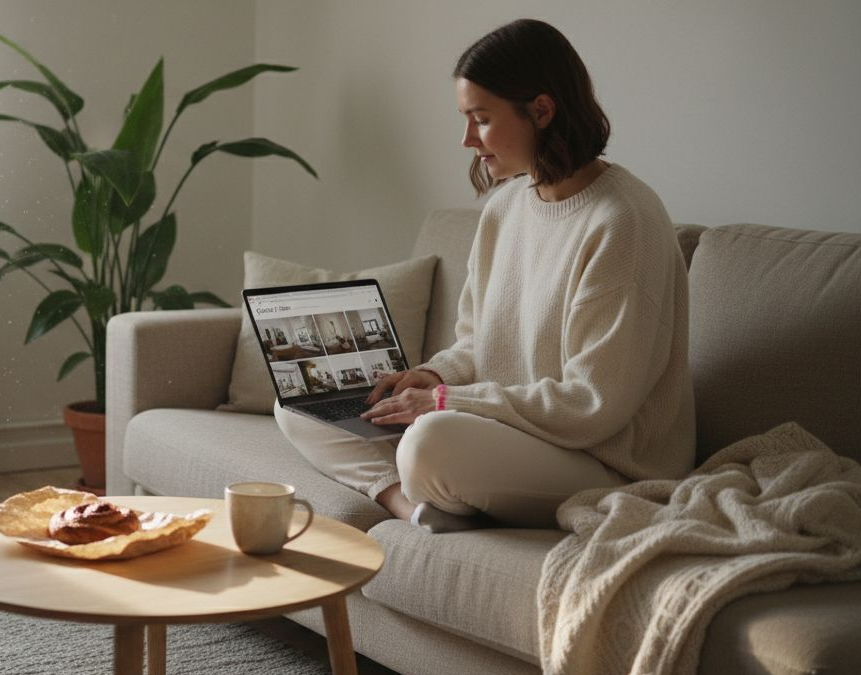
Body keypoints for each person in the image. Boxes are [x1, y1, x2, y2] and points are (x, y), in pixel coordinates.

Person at [274, 19, 695, 532]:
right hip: (506, 432)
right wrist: (433, 376)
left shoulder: (623, 221)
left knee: (430, 444)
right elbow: (477, 345)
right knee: (302, 401)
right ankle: (409, 506)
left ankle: (435, 484)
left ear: (541, 110)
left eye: (481, 119)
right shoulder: (505, 208)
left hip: (604, 462)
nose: (467, 139)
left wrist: (444, 402)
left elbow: (592, 405)